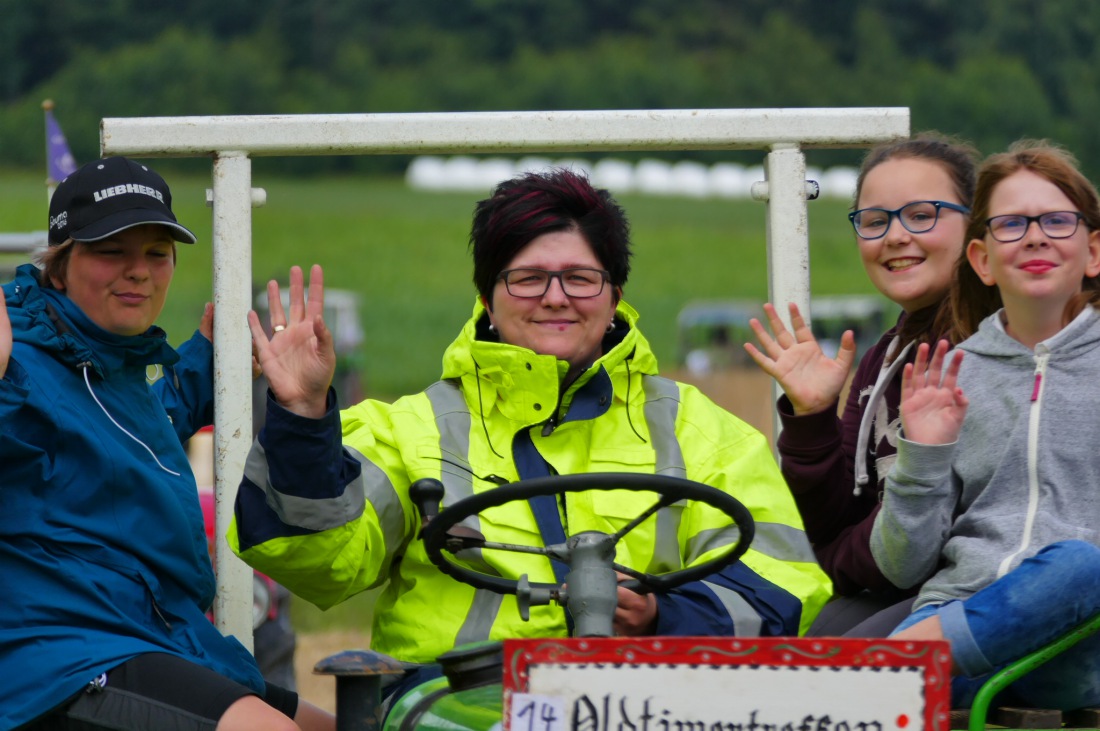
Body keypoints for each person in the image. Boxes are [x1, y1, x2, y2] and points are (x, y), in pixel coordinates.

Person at [231, 169, 832, 696]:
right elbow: (317, 563)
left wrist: (662, 617)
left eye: (579, 277)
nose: (554, 298)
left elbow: (785, 584)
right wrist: (304, 418)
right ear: (487, 299)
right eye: (527, 278)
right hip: (454, 706)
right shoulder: (407, 430)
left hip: (648, 700)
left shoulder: (698, 428)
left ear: (615, 295)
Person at [0, 157, 332, 731]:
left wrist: (219, 357)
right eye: (111, 251)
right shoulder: (20, 364)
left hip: (155, 635)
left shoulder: (106, 365)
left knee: (352, 723)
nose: (138, 272)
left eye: (157, 253)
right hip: (61, 657)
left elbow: (139, 427)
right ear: (58, 266)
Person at [871, 140, 1100, 709]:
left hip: (1075, 641)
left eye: (1057, 220)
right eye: (1012, 224)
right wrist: (922, 457)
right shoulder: (953, 374)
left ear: (1094, 252)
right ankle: (911, 670)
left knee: (1080, 563)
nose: (1036, 236)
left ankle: (898, 672)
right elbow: (901, 565)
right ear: (981, 260)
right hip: (956, 616)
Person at [744, 134, 978, 636]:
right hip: (888, 584)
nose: (895, 235)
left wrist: (841, 555)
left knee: (839, 682)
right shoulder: (883, 357)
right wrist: (811, 419)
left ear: (975, 228)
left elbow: (920, 550)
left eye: (922, 214)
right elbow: (827, 529)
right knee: (786, 656)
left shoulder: (990, 348)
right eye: (875, 221)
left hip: (968, 595)